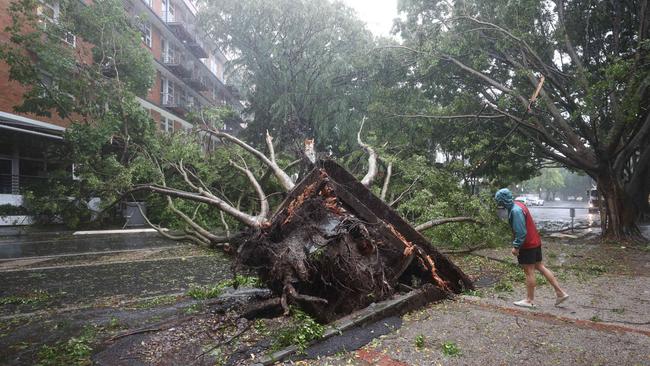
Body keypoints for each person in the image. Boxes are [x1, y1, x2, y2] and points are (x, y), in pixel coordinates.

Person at [495, 188, 569, 308]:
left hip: (527, 245)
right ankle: (560, 293)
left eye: (499, 201)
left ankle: (529, 300)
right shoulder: (519, 204)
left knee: (529, 272)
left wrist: (516, 246)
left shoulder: (515, 211)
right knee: (540, 267)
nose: (499, 203)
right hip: (535, 241)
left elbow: (521, 232)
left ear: (503, 200)